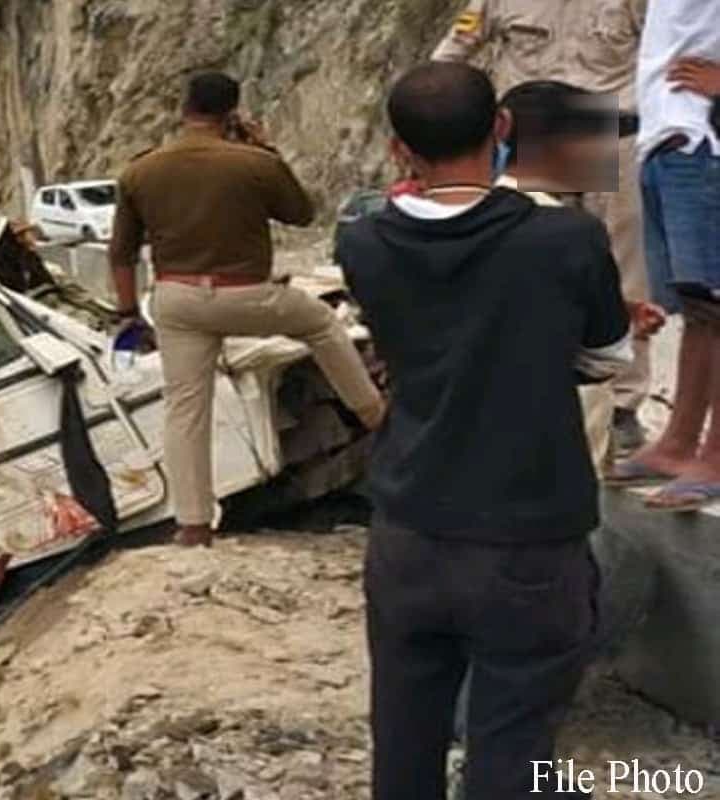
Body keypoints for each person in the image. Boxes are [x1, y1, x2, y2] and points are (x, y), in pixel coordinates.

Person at [338, 63, 630, 800]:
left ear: (398, 148)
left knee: (403, 739)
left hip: (408, 530)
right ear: (502, 128)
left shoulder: (364, 245)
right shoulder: (565, 239)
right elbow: (605, 357)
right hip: (529, 540)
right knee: (514, 745)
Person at [108, 71, 385, 548]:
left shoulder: (141, 170)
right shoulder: (254, 163)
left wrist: (130, 313)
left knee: (186, 409)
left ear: (183, 108)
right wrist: (268, 149)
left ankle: (193, 525)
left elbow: (121, 254)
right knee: (321, 324)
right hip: (247, 295)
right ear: (232, 112)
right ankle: (375, 416)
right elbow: (301, 213)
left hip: (176, 300)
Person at [433, 0, 652, 453]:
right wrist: (443, 122)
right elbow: (453, 53)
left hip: (612, 128)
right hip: (534, 132)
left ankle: (622, 405)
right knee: (524, 265)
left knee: (623, 270)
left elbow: (664, 55)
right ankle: (531, 387)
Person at [495, 80, 667, 469]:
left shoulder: (471, 214)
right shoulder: (573, 235)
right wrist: (620, 326)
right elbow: (604, 358)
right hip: (551, 444)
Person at [609, 1, 720, 509]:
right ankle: (679, 441)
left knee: (716, 303)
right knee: (699, 306)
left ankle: (715, 455)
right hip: (667, 137)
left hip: (703, 140)